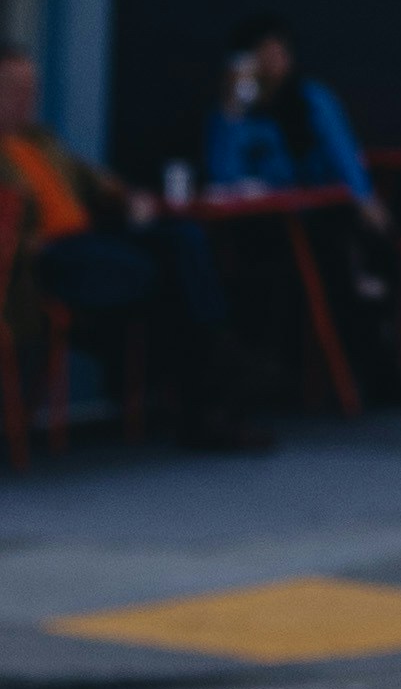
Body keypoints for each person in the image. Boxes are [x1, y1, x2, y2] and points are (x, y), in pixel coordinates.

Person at [0, 45, 274, 451]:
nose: (26, 100)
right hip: (44, 259)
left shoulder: (41, 142)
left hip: (88, 243)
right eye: (13, 89)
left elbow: (94, 179)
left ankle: (212, 374)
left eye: (31, 89)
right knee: (165, 277)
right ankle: (217, 379)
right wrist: (27, 244)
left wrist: (129, 197)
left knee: (182, 238)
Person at [206, 13, 401, 407]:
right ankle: (353, 370)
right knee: (313, 265)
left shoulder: (310, 100)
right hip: (269, 227)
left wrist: (364, 198)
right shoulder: (238, 117)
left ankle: (378, 367)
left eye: (281, 53)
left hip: (326, 215)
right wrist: (229, 112)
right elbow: (221, 176)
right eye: (264, 54)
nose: (274, 63)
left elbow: (343, 153)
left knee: (357, 248)